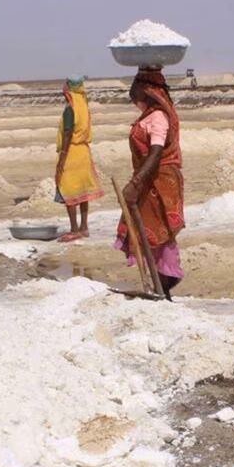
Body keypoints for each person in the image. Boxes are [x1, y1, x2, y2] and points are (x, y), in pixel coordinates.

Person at [116, 69, 185, 297]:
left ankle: (164, 285)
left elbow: (155, 153)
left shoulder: (158, 117)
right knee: (146, 231)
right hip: (148, 180)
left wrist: (136, 183)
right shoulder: (148, 115)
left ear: (146, 90)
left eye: (136, 86)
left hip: (158, 183)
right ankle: (158, 287)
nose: (132, 92)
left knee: (158, 232)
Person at [54, 76, 104, 242]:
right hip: (84, 152)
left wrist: (62, 158)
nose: (63, 88)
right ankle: (84, 227)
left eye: (65, 85)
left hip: (72, 154)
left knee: (69, 190)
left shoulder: (70, 108)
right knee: (82, 192)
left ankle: (74, 230)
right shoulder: (83, 105)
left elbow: (68, 133)